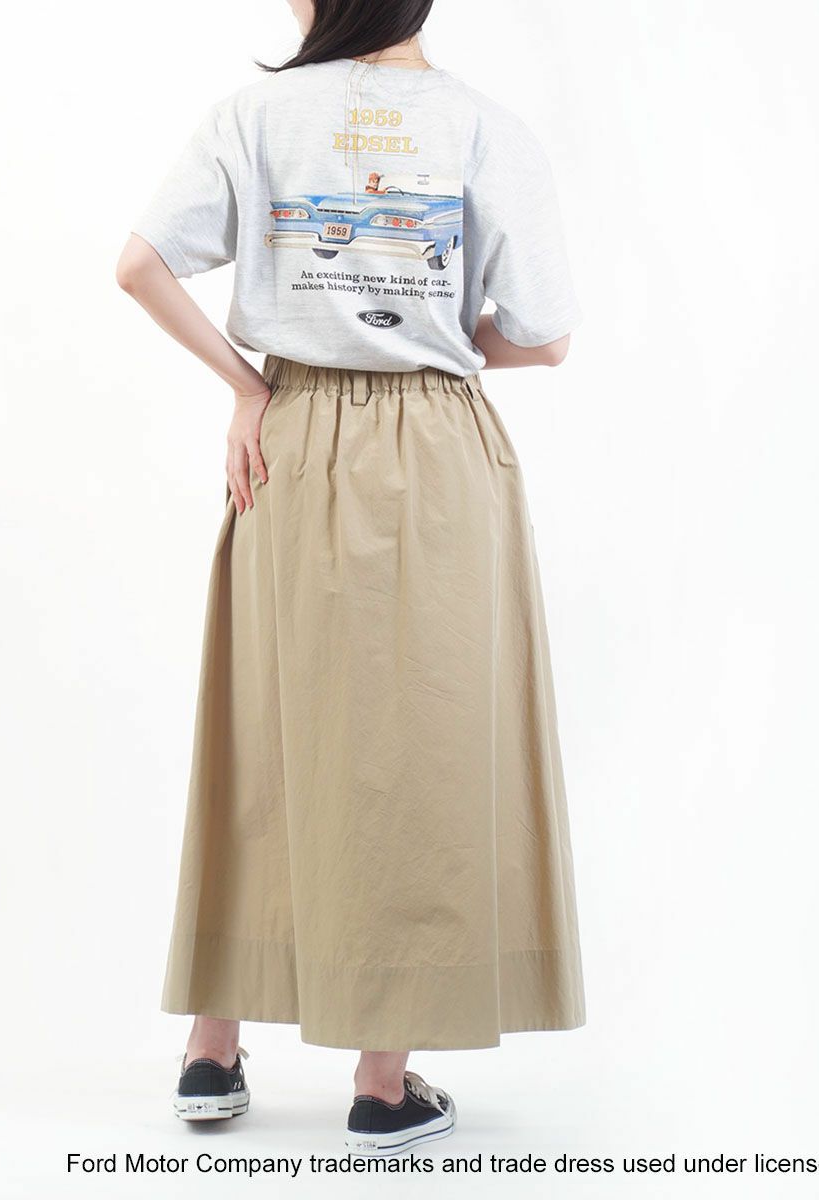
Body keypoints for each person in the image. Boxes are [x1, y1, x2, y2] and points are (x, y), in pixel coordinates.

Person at [116, 0, 587, 1158]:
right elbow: (547, 336)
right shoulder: (484, 127)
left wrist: (248, 388)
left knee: (264, 728)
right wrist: (441, 337)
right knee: (424, 749)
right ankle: (382, 1084)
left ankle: (211, 1052)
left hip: (290, 435)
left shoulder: (255, 114)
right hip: (435, 447)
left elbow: (139, 266)